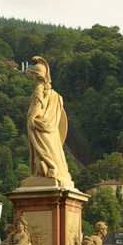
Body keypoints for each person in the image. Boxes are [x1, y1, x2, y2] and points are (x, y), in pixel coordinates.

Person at [26, 56, 72, 187]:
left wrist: (32, 118)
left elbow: (38, 105)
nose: (33, 77)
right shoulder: (55, 95)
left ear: (38, 76)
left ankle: (48, 170)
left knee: (43, 151)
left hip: (39, 127)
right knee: (53, 150)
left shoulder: (39, 89)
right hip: (50, 130)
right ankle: (55, 170)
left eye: (34, 74)